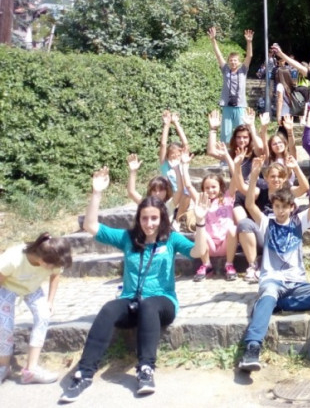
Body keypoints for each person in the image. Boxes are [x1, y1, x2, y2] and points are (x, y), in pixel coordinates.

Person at [60, 167, 211, 402]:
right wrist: (96, 193)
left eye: (154, 218)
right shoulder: (128, 239)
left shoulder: (170, 239)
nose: (149, 223)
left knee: (149, 305)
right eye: (144, 218)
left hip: (162, 302)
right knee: (109, 308)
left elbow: (198, 251)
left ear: (161, 219)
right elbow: (91, 226)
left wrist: (201, 222)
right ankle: (84, 373)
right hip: (130, 300)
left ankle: (146, 369)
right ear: (138, 219)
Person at [237, 156, 310, 373]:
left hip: (297, 283)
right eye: (277, 206)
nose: (280, 211)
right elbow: (250, 204)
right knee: (269, 294)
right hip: (272, 280)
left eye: (284, 207)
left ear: (292, 207)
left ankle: (279, 304)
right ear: (273, 206)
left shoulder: (299, 221)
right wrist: (254, 175)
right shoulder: (267, 223)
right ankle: (252, 347)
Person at [0, 232, 72, 385]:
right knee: (5, 326)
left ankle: (30, 370)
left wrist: (50, 301)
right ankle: (3, 366)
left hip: (32, 288)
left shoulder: (53, 258)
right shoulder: (13, 259)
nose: (54, 268)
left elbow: (55, 276)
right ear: (42, 260)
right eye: (52, 266)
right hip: (6, 287)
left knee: (43, 315)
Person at [235, 156, 310, 284]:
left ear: (285, 178)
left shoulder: (288, 192)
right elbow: (243, 189)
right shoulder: (261, 191)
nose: (276, 179)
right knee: (244, 224)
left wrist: (296, 168)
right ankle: (253, 266)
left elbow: (304, 188)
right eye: (273, 176)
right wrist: (252, 174)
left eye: (280, 176)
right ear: (266, 178)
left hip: (283, 238)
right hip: (264, 235)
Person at [208, 27, 254, 144]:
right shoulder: (226, 70)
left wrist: (249, 42)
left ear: (239, 62)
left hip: (240, 105)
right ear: (229, 61)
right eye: (231, 60)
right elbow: (219, 56)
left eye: (235, 60)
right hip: (227, 105)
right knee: (226, 133)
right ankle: (225, 153)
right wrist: (213, 40)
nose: (233, 62)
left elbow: (249, 56)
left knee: (241, 132)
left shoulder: (243, 70)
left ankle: (243, 151)